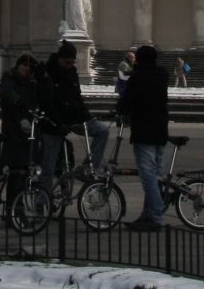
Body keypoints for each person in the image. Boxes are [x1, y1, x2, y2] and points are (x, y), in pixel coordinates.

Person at [42, 40, 109, 181]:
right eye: (67, 62)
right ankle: (43, 194)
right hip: (55, 122)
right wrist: (57, 122)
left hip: (74, 117)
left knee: (102, 130)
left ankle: (87, 168)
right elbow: (47, 102)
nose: (70, 65)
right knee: (48, 167)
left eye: (72, 62)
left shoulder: (72, 72)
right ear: (59, 59)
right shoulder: (48, 73)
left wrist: (86, 114)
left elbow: (77, 96)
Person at [119, 45, 170, 231]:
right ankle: (147, 215)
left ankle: (155, 216)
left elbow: (127, 101)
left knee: (148, 176)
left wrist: (120, 110)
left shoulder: (138, 77)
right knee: (155, 175)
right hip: (160, 131)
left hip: (144, 131)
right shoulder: (162, 75)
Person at [0, 52, 42, 204]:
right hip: (13, 131)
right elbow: (8, 95)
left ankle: (19, 206)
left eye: (30, 66)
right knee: (16, 172)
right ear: (18, 65)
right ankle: (13, 208)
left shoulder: (32, 83)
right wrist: (17, 103)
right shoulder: (9, 78)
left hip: (29, 132)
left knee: (27, 171)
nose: (27, 68)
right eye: (24, 65)